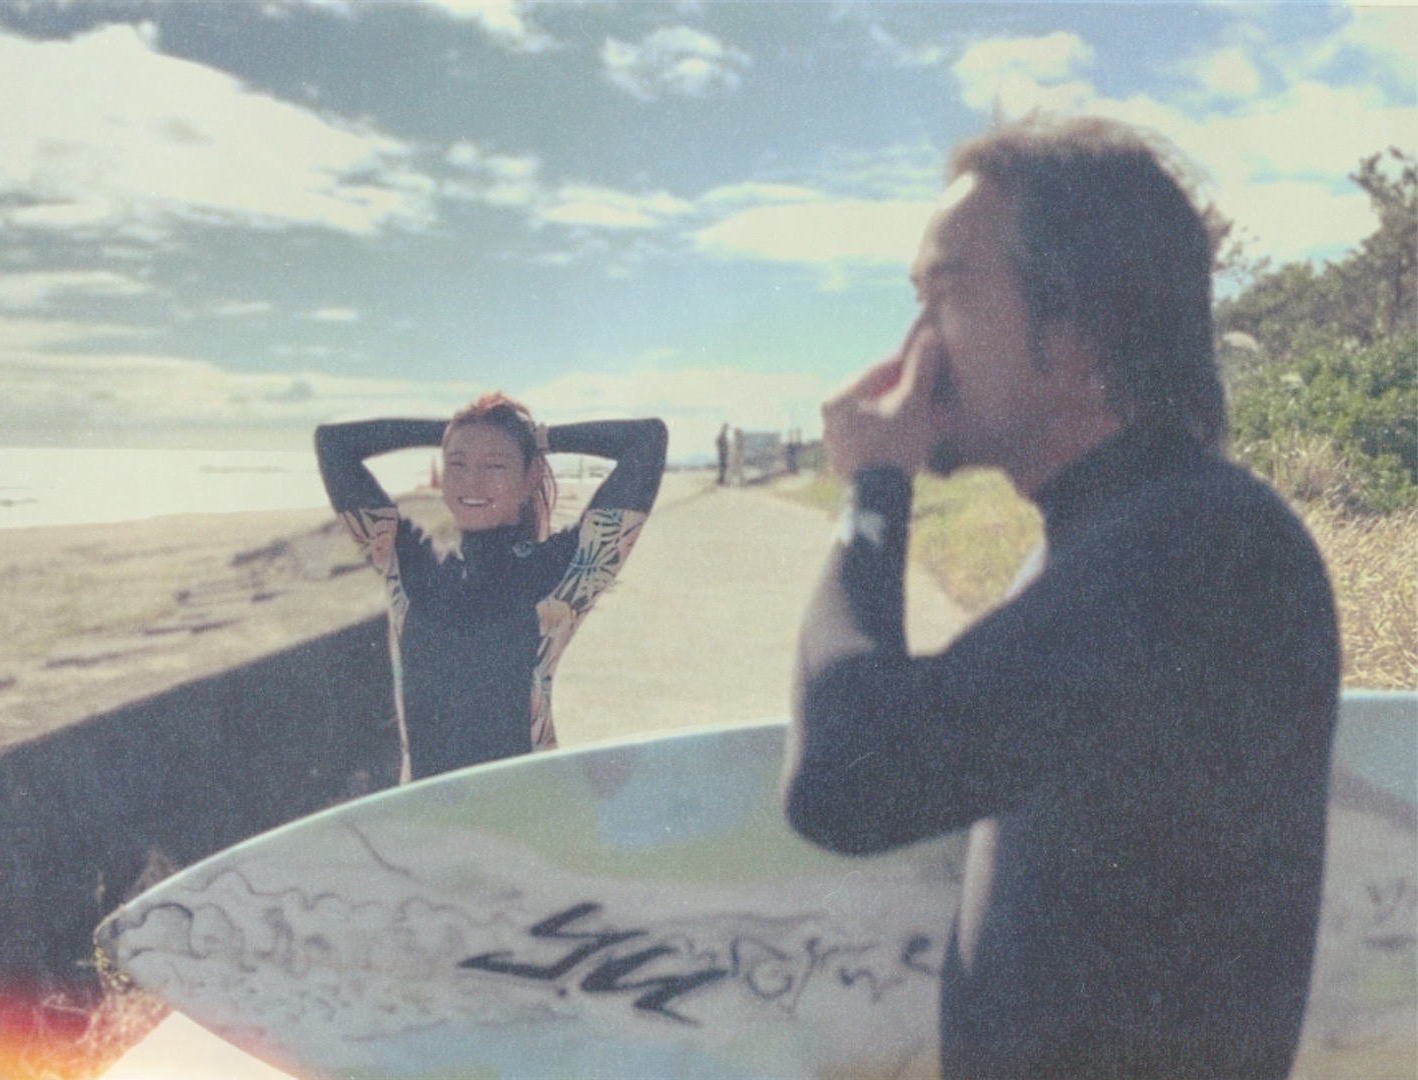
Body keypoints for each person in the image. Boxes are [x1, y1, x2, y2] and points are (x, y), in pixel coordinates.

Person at [783, 116, 1339, 1079]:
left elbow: (847, 777)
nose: (915, 348)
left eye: (948, 293)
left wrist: (875, 484)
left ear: (1084, 329)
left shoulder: (1202, 554)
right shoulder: (1125, 540)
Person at [316, 394, 667, 782]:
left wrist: (536, 438)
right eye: (458, 464)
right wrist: (456, 432)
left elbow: (647, 441)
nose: (473, 482)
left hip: (526, 803)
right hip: (424, 808)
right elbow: (333, 444)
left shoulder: (562, 572)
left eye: (495, 465)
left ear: (530, 478)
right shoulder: (407, 563)